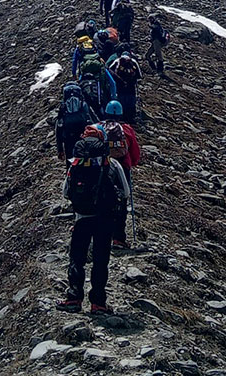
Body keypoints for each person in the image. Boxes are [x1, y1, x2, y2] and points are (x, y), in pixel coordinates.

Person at [58, 135, 131, 314]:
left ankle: (74, 298)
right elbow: (126, 192)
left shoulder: (76, 164)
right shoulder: (112, 164)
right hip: (105, 219)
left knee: (76, 258)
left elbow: (66, 192)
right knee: (100, 260)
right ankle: (98, 302)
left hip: (82, 218)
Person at [100, 102, 142, 248]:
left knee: (102, 200)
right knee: (122, 200)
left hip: (103, 168)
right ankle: (118, 238)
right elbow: (135, 153)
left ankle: (102, 234)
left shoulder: (98, 127)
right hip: (122, 169)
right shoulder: (127, 129)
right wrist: (132, 163)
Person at [56, 84, 95, 162]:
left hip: (68, 137)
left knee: (70, 158)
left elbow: (58, 128)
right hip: (83, 135)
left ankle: (71, 172)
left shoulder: (63, 107)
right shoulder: (83, 105)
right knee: (85, 156)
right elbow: (91, 119)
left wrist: (60, 149)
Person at [107, 50, 141, 123]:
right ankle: (131, 117)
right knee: (131, 101)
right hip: (131, 86)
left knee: (121, 99)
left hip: (120, 85)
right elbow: (139, 75)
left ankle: (121, 116)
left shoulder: (117, 61)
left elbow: (110, 70)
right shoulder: (133, 62)